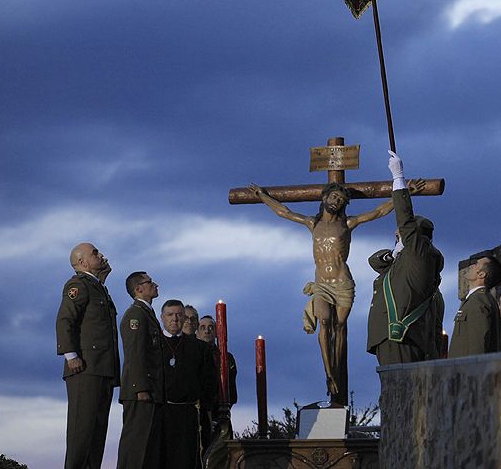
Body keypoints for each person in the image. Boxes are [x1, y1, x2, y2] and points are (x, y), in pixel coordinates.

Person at [247, 177, 419, 404]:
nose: (337, 201)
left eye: (341, 199)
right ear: (324, 197)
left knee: (339, 327)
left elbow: (378, 212)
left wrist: (405, 194)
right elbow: (284, 212)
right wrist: (262, 195)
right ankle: (329, 373)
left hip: (343, 282)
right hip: (322, 284)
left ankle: (336, 371)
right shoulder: (313, 224)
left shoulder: (347, 225)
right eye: (334, 196)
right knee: (325, 322)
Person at [367, 152, 444, 365]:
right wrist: (394, 252)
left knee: (398, 394)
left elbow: (405, 219)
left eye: (399, 236)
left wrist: (398, 178)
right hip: (397, 338)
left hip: (400, 336)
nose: (397, 237)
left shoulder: (420, 253)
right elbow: (375, 263)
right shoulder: (408, 261)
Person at [55, 243, 120, 469]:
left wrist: (102, 278)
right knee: (80, 435)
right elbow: (65, 320)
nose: (102, 255)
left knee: (96, 436)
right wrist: (71, 355)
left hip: (103, 369)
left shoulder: (97, 287)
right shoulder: (77, 285)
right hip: (85, 369)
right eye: (95, 253)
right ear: (82, 262)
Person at [158, 300, 217, 468]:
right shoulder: (153, 344)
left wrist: (205, 408)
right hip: (162, 414)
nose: (175, 319)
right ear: (162, 317)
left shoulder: (200, 348)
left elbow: (209, 383)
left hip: (191, 415)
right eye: (170, 315)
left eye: (179, 315)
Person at [117, 272, 164, 469]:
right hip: (141, 391)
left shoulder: (147, 314)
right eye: (150, 282)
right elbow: (134, 353)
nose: (155, 284)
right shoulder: (136, 315)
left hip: (151, 389)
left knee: (149, 446)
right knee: (136, 445)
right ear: (138, 289)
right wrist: (140, 388)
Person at [448, 255, 501, 358]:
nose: (471, 266)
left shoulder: (478, 301)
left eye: (476, 264)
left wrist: (474, 370)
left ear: (482, 274)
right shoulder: (478, 298)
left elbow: (479, 342)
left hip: (466, 370)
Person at [197, 315, 238, 443]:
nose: (207, 331)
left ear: (216, 332)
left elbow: (231, 388)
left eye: (211, 327)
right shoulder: (192, 355)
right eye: (202, 327)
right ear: (197, 332)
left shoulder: (226, 358)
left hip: (220, 412)